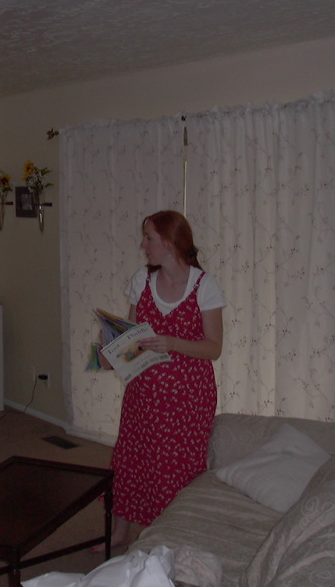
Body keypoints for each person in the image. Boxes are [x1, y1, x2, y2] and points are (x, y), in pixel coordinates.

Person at [100, 210, 225, 549]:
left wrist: (172, 342)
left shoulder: (204, 286)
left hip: (188, 397)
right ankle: (120, 532)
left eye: (149, 238)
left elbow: (213, 348)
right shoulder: (142, 280)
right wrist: (109, 354)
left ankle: (169, 535)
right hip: (143, 390)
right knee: (132, 457)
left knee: (175, 467)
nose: (143, 245)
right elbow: (129, 337)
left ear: (169, 242)